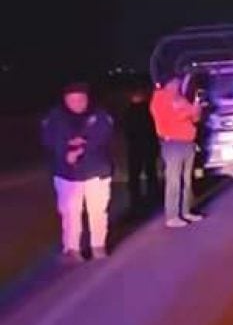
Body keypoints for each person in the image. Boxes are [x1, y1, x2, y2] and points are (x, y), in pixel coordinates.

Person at [40, 82, 115, 263]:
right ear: (65, 100)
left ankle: (98, 246)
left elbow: (103, 135)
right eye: (72, 100)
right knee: (70, 213)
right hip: (67, 175)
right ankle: (72, 248)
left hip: (96, 172)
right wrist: (66, 149)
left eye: (81, 99)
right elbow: (49, 139)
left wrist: (83, 146)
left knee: (98, 211)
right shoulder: (55, 117)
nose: (77, 103)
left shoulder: (100, 115)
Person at [150, 76, 203, 228]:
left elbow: (195, 118)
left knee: (187, 179)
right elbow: (169, 118)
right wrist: (189, 111)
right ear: (168, 83)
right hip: (173, 143)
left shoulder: (180, 98)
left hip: (188, 142)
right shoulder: (160, 98)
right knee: (174, 179)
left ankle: (186, 211)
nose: (178, 85)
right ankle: (172, 216)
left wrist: (197, 107)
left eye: (179, 82)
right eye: (176, 82)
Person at [123, 84, 160, 212]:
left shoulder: (130, 111)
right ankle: (151, 197)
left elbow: (126, 129)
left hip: (137, 146)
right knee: (150, 173)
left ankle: (136, 201)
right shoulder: (149, 110)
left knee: (135, 175)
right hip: (148, 145)